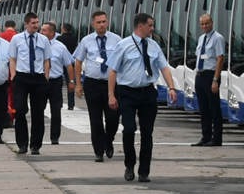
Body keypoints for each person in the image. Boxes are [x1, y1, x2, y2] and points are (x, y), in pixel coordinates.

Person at [107, 13, 178, 183]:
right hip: (127, 93)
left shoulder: (154, 46)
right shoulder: (123, 45)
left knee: (147, 133)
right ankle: (129, 165)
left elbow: (164, 68)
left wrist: (172, 88)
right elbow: (113, 71)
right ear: (141, 26)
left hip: (147, 92)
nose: (153, 29)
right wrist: (111, 95)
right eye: (150, 25)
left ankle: (144, 171)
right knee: (129, 129)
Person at [74, 12, 122, 162]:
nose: (102, 24)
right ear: (93, 24)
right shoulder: (86, 41)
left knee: (113, 117)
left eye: (104, 21)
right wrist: (78, 85)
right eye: (98, 22)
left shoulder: (117, 40)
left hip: (112, 84)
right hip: (93, 83)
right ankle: (98, 150)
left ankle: (109, 140)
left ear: (108, 22)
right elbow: (78, 62)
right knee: (95, 119)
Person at [8, 12, 51, 155]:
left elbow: (46, 60)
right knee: (20, 110)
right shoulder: (17, 39)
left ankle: (36, 145)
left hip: (38, 78)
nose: (36, 25)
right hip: (21, 77)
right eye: (33, 23)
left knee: (38, 112)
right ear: (26, 24)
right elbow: (12, 59)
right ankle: (22, 144)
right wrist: (14, 76)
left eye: (37, 22)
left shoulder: (43, 39)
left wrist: (46, 77)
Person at [193, 13, 225, 147]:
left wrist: (215, 80)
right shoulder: (201, 38)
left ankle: (217, 138)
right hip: (200, 75)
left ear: (212, 23)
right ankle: (206, 136)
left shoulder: (217, 38)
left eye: (206, 23)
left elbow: (220, 59)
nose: (204, 26)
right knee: (203, 109)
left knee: (214, 108)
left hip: (211, 75)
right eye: (202, 24)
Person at [42, 22, 75, 145]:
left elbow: (69, 65)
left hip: (55, 82)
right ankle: (38, 136)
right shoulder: (37, 45)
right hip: (41, 81)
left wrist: (71, 81)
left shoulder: (60, 47)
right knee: (39, 110)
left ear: (51, 33)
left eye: (44, 30)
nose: (41, 32)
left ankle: (55, 137)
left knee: (56, 111)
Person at [57, 23, 79, 110]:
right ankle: (71, 104)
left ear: (64, 30)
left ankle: (60, 102)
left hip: (60, 62)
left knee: (59, 84)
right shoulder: (74, 38)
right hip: (70, 62)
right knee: (70, 82)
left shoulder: (59, 38)